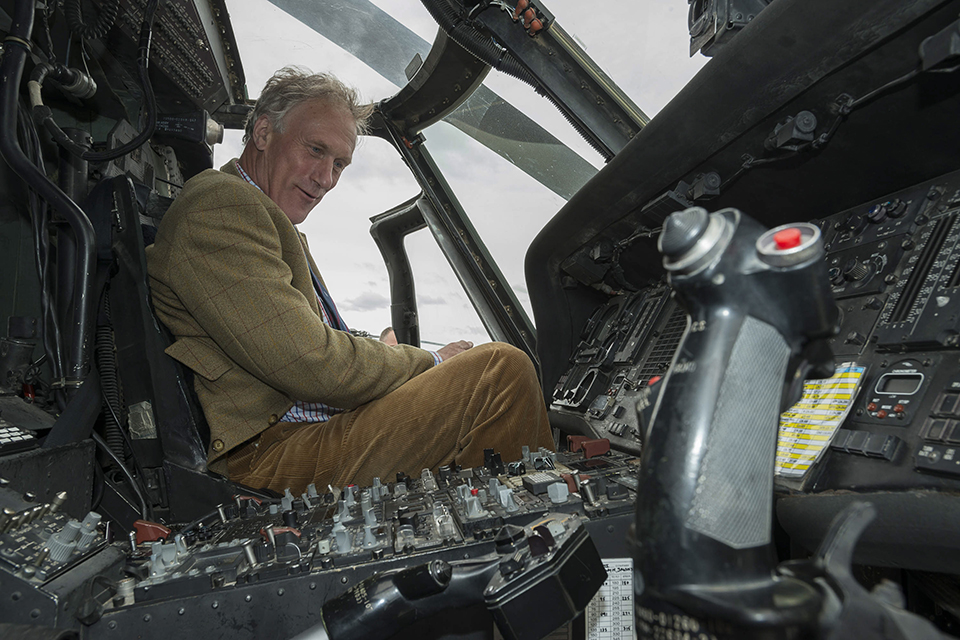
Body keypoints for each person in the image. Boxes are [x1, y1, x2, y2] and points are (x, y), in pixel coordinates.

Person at [146, 67, 553, 494]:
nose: (325, 179)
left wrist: (392, 355)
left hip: (305, 432)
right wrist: (431, 362)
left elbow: (300, 341)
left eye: (339, 163)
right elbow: (310, 362)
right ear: (263, 133)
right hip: (268, 453)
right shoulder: (222, 203)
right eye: (316, 150)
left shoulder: (262, 216)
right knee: (498, 373)